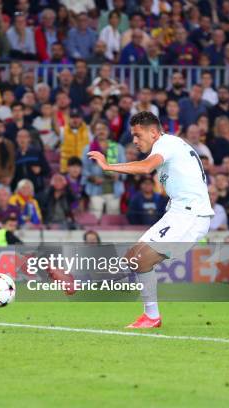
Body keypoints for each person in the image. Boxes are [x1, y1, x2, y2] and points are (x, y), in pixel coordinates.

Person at [88, 111, 213, 328]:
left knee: (139, 260)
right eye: (133, 136)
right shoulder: (169, 145)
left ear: (154, 132)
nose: (135, 141)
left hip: (191, 215)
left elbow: (146, 167)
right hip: (176, 213)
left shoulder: (166, 144)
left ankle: (79, 284)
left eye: (138, 135)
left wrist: (109, 167)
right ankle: (151, 316)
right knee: (133, 257)